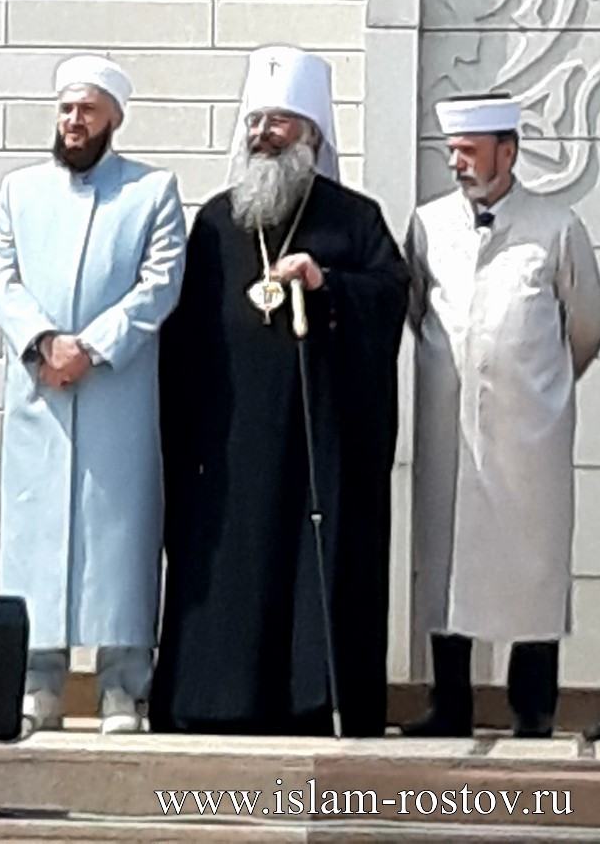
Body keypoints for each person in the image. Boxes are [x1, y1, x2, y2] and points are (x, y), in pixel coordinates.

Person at [152, 46, 408, 737]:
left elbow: (390, 298)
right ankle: (215, 701)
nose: (263, 134)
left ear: (312, 135)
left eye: (279, 122)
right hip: (229, 440)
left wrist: (327, 284)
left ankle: (310, 703)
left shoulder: (354, 219)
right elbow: (184, 337)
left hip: (317, 440)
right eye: (256, 121)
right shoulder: (216, 221)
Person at [0, 57, 185, 736]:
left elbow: (159, 284)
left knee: (118, 541)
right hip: (40, 390)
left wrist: (91, 347)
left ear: (113, 119)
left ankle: (122, 688)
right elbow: (2, 281)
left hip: (114, 392)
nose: (74, 122)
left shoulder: (151, 192)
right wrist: (44, 341)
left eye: (88, 110)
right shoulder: (19, 191)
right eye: (67, 109)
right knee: (35, 541)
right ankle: (37, 684)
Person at [403, 94, 600, 739]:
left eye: (469, 151)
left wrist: (537, 386)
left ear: (507, 152)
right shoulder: (428, 224)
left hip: (528, 433)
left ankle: (533, 709)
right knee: (446, 554)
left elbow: (588, 324)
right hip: (449, 424)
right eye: (453, 152)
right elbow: (417, 308)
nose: (457, 163)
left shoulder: (556, 226)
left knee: (531, 561)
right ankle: (450, 704)